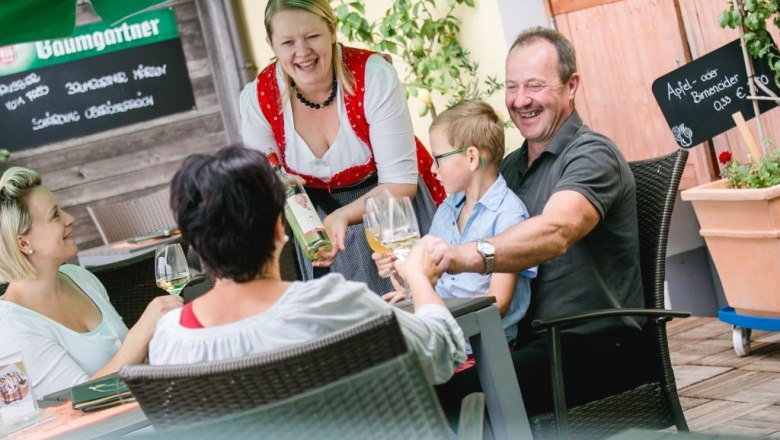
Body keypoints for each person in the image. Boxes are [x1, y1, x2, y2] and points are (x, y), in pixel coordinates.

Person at [422, 27, 656, 415]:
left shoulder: (592, 154)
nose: (520, 100)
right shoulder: (511, 168)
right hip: (525, 339)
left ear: (571, 85)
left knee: (451, 397)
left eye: (534, 86)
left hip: (595, 343)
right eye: (512, 87)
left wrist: (463, 255)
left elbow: (556, 231)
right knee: (418, 386)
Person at [148, 146, 466, 385]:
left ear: (196, 243)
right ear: (279, 229)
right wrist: (419, 278)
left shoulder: (171, 343)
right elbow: (440, 354)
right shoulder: (333, 304)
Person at [239, 0, 445, 294]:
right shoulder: (258, 100)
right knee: (356, 329)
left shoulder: (371, 76)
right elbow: (267, 186)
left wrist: (343, 216)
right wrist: (276, 188)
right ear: (271, 44)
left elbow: (400, 184)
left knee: (421, 306)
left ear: (332, 30)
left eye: (312, 36)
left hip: (394, 214)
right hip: (320, 226)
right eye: (287, 42)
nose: (302, 52)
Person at [0, 167, 181, 399]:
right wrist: (143, 330)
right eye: (55, 215)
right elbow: (78, 401)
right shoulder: (11, 327)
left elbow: (137, 362)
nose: (70, 219)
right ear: (24, 243)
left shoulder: (79, 277)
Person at [378, 100, 537, 347]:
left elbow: (498, 304)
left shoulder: (508, 216)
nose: (432, 168)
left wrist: (432, 312)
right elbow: (434, 281)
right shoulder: (447, 209)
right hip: (445, 336)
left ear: (471, 157)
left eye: (438, 158)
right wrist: (408, 285)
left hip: (486, 348)